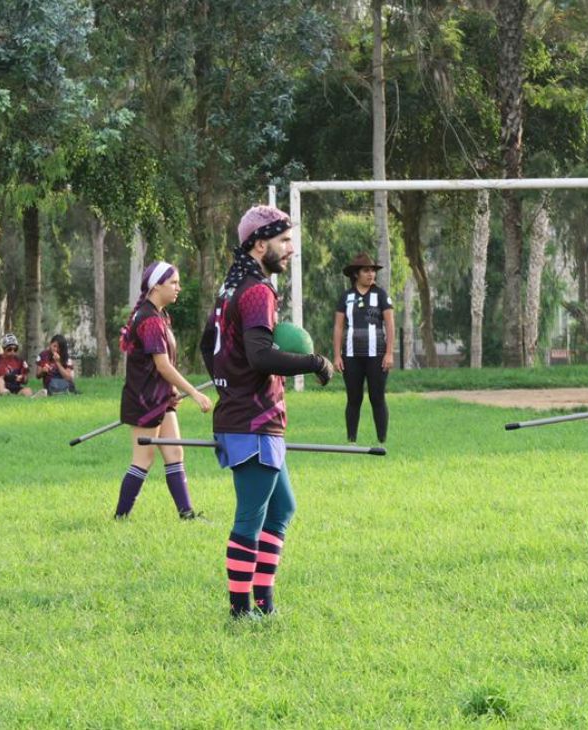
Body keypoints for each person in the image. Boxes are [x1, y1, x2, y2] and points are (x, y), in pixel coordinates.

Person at [200, 205, 334, 617]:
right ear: (260, 245)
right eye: (284, 241)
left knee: (282, 509)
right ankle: (241, 611)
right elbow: (260, 356)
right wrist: (314, 364)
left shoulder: (231, 288)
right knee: (250, 517)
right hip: (253, 421)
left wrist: (228, 382)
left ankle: (265, 604)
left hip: (250, 417)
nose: (290, 249)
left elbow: (208, 344)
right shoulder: (258, 291)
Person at [114, 262, 213, 520]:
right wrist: (194, 392)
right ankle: (120, 517)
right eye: (174, 283)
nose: (178, 287)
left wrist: (170, 392)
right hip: (145, 401)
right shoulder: (149, 320)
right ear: (157, 285)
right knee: (143, 459)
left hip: (160, 398)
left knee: (174, 452)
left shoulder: (159, 316)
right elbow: (163, 365)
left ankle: (187, 514)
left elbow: (158, 367)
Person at [332, 252, 395, 444]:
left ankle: (382, 440)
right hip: (351, 356)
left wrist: (389, 353)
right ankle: (351, 440)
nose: (371, 275)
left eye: (373, 271)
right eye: (366, 271)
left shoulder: (381, 295)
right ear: (356, 274)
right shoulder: (346, 297)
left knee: (377, 398)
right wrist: (337, 356)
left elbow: (390, 324)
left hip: (377, 355)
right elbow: (338, 326)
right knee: (353, 399)